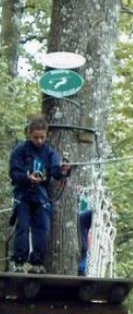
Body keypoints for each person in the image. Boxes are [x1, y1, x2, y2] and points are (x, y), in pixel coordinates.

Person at [9, 116, 71, 273]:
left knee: (42, 228)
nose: (39, 140)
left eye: (42, 137)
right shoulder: (20, 150)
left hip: (40, 195)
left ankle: (36, 263)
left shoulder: (49, 152)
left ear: (46, 135)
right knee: (22, 227)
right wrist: (27, 177)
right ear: (29, 134)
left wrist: (64, 170)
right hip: (23, 194)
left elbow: (56, 172)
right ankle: (19, 262)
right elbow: (14, 173)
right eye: (35, 137)